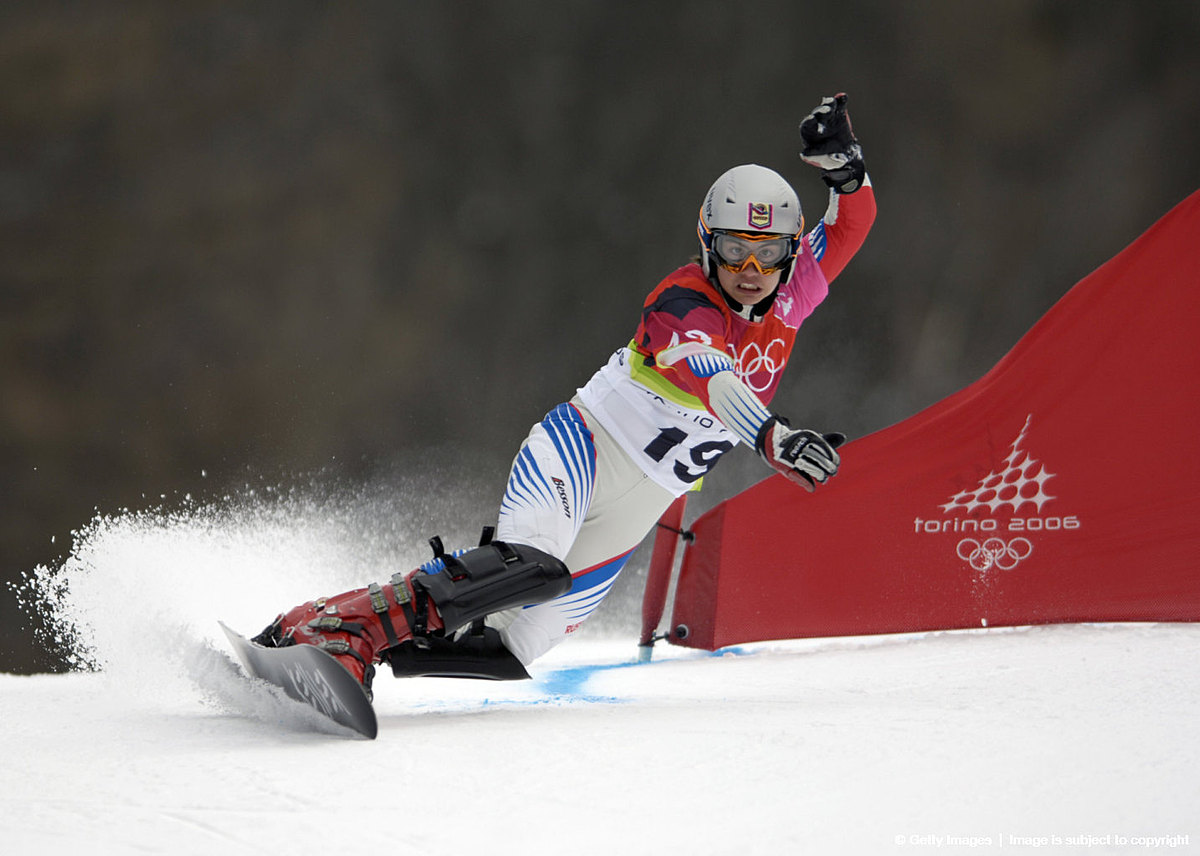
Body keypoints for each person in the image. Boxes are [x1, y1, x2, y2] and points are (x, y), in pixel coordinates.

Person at [252, 93, 877, 696]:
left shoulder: (795, 290)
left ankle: (343, 638)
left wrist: (846, 172)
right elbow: (716, 380)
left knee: (504, 649)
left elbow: (854, 221)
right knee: (528, 564)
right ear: (706, 241)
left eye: (768, 254)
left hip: (642, 502)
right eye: (734, 249)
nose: (750, 271)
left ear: (791, 255)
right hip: (585, 451)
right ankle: (344, 628)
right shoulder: (682, 299)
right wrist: (772, 437)